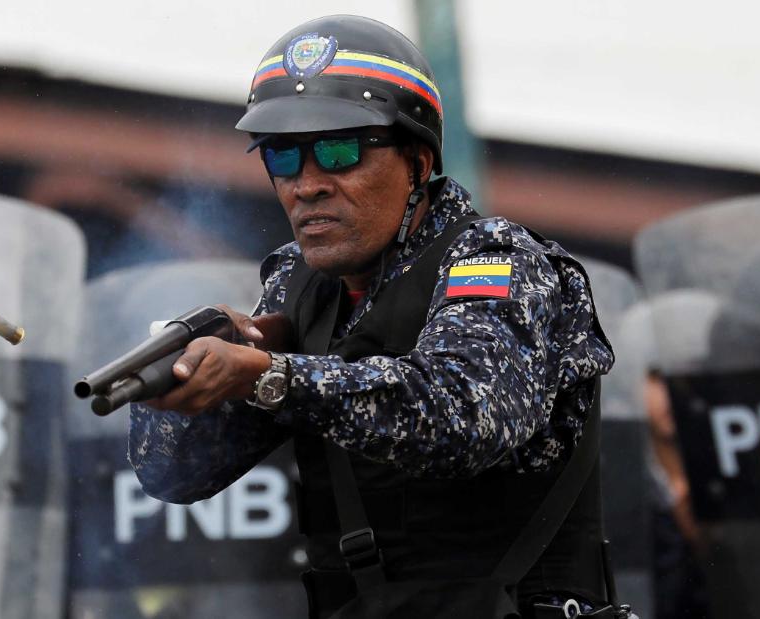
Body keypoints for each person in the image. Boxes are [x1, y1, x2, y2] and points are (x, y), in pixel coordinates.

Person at [129, 15, 615, 618]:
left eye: (339, 151)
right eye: (283, 158)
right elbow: (173, 475)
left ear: (416, 160)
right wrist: (182, 382)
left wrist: (271, 374)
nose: (307, 186)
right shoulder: (297, 282)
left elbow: (465, 417)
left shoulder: (494, 259)